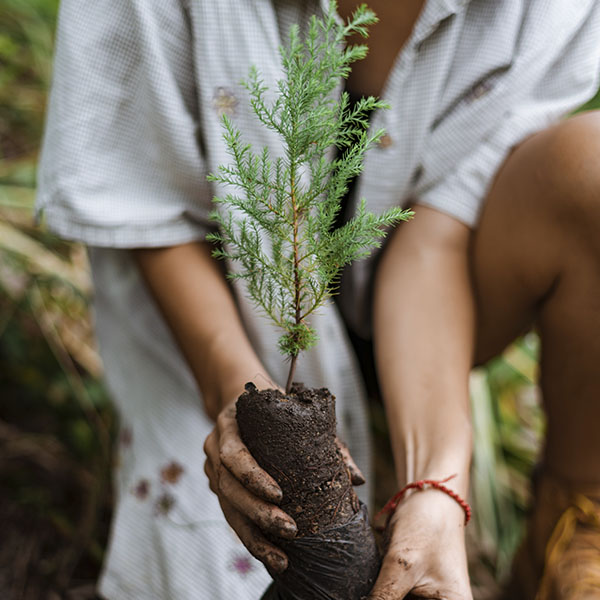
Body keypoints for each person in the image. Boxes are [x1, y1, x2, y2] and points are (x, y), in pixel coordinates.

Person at [37, 0, 600, 598]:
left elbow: (434, 240)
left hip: (437, 301)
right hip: (216, 304)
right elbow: (147, 203)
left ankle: (570, 526)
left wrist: (436, 487)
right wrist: (238, 401)